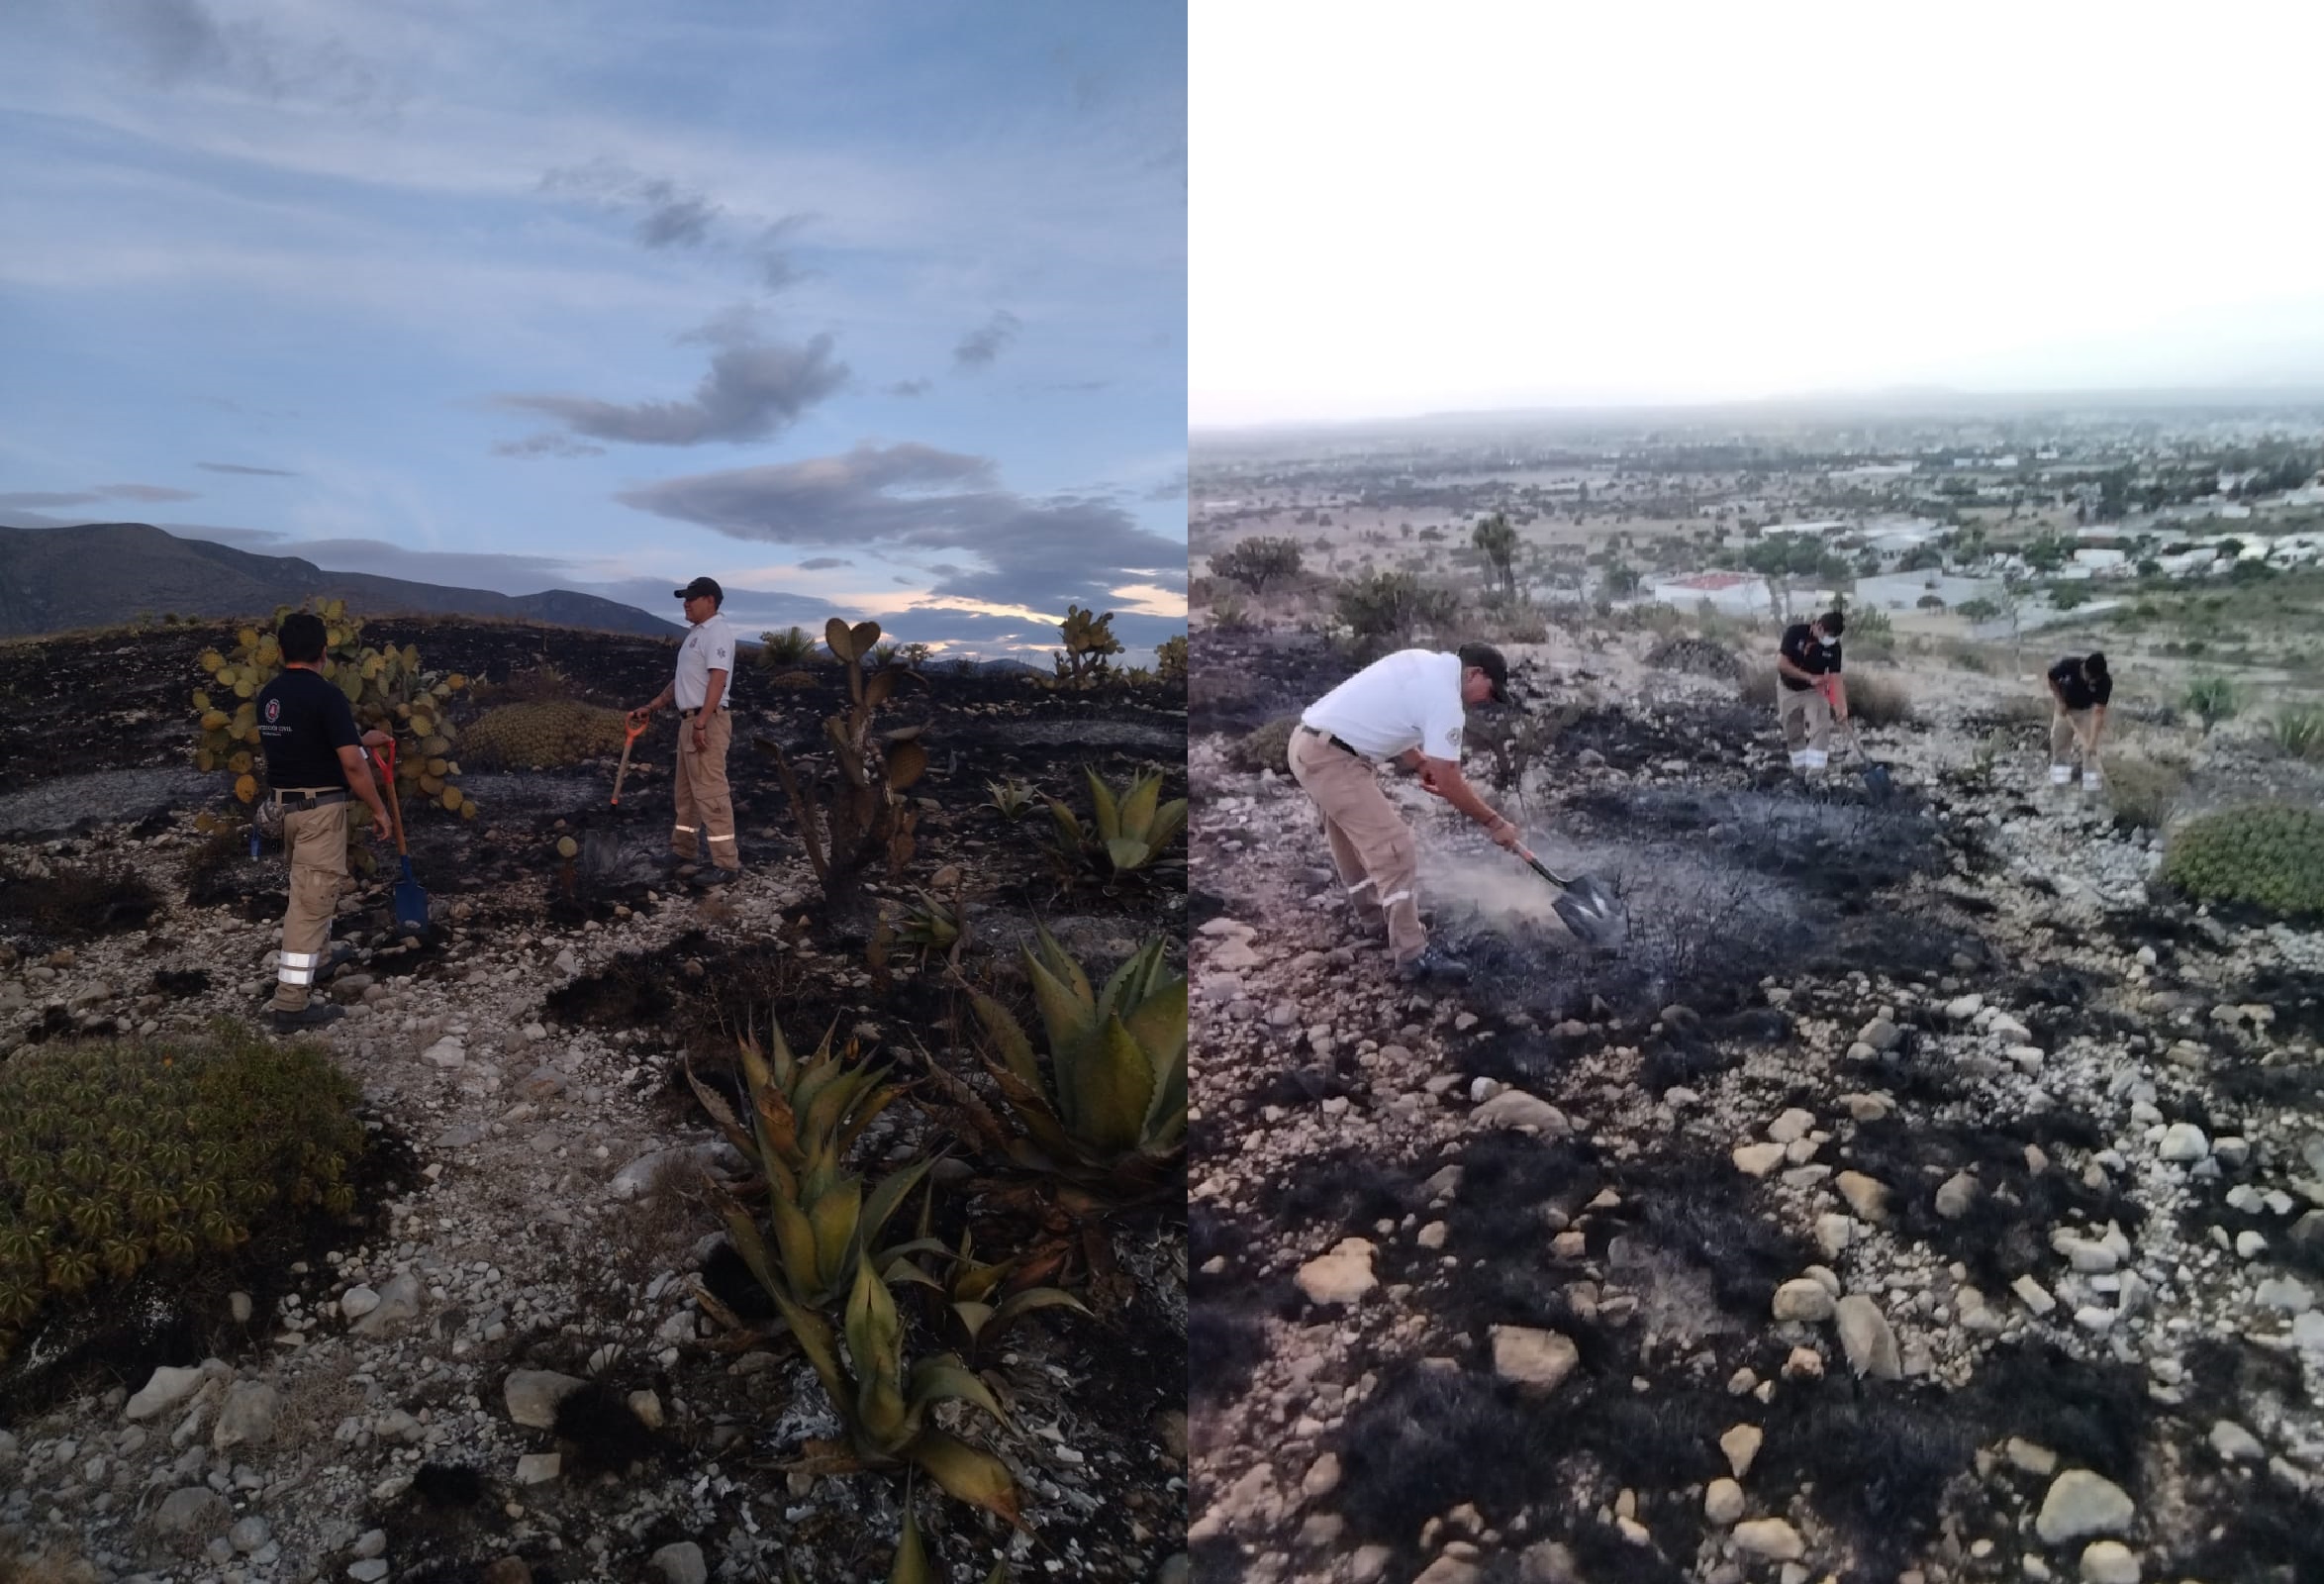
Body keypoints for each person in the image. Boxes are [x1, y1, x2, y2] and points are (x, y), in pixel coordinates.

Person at [1287, 643, 1524, 983]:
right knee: (1395, 849)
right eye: (1489, 690)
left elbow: (1390, 712)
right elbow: (1449, 778)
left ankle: (1374, 918)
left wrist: (1418, 761)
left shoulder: (1419, 660)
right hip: (1334, 760)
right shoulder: (1446, 698)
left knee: (1352, 841)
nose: (1487, 700)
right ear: (1473, 674)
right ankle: (1413, 954)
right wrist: (1494, 821)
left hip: (1308, 745)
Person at [253, 612, 393, 1032]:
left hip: (283, 810)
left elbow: (311, 744)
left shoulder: (269, 695)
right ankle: (292, 1003)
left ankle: (325, 959)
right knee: (309, 907)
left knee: (316, 889)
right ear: (324, 653)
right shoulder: (326, 695)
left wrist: (360, 739)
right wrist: (380, 809)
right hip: (319, 812)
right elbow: (349, 764)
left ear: (280, 653)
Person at [629, 576, 741, 883]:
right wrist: (651, 706)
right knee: (687, 793)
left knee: (711, 792)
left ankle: (727, 865)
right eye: (684, 598)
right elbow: (680, 682)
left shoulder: (717, 632)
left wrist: (702, 721)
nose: (685, 603)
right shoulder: (696, 635)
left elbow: (718, 680)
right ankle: (683, 850)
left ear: (710, 601)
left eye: (691, 598)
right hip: (690, 721)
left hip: (707, 721)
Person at [1775, 610, 1847, 771]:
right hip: (1788, 689)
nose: (1830, 640)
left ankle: (1815, 774)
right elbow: (1781, 663)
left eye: (1834, 637)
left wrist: (1841, 706)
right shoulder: (1795, 633)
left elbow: (1835, 677)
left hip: (1814, 691)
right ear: (1818, 626)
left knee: (1821, 726)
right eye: (1829, 635)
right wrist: (1808, 677)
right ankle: (1799, 771)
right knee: (1793, 730)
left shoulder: (1834, 647)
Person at [2046, 650, 2111, 790]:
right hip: (2065, 711)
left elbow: (2098, 713)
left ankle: (2092, 789)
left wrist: (2092, 742)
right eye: (2090, 677)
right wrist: (2059, 700)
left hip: (2086, 713)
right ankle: (2059, 784)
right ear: (2084, 668)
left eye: (2095, 679)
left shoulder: (2105, 681)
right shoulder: (2068, 665)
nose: (2092, 681)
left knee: (2090, 751)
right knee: (2059, 744)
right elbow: (2051, 678)